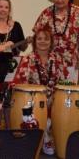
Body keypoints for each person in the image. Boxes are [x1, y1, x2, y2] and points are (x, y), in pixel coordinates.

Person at [13, 27, 70, 155]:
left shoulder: (58, 60)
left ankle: (49, 140)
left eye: (46, 39)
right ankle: (39, 141)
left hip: (54, 100)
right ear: (34, 41)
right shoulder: (27, 60)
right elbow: (20, 84)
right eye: (39, 39)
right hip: (32, 100)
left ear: (51, 42)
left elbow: (64, 82)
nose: (42, 41)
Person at [34, 0, 79, 66]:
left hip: (73, 64)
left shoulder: (77, 12)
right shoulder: (46, 13)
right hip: (49, 64)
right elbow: (37, 37)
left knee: (69, 80)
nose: (59, 0)